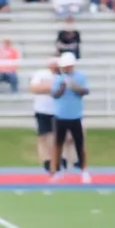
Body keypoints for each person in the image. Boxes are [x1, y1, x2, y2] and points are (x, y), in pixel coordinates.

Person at [49, 52, 90, 183]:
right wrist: (62, 87)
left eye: (69, 66)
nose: (66, 69)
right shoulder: (57, 78)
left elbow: (85, 91)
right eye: (64, 66)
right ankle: (56, 170)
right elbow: (55, 95)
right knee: (58, 144)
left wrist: (75, 87)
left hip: (75, 115)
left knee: (79, 144)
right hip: (60, 116)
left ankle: (84, 170)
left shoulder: (80, 76)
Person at [30, 58, 61, 174]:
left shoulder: (62, 75)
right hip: (41, 109)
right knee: (43, 137)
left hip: (57, 111)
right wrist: (49, 87)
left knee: (55, 138)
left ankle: (56, 160)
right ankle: (46, 161)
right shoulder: (41, 74)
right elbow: (34, 88)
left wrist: (45, 87)